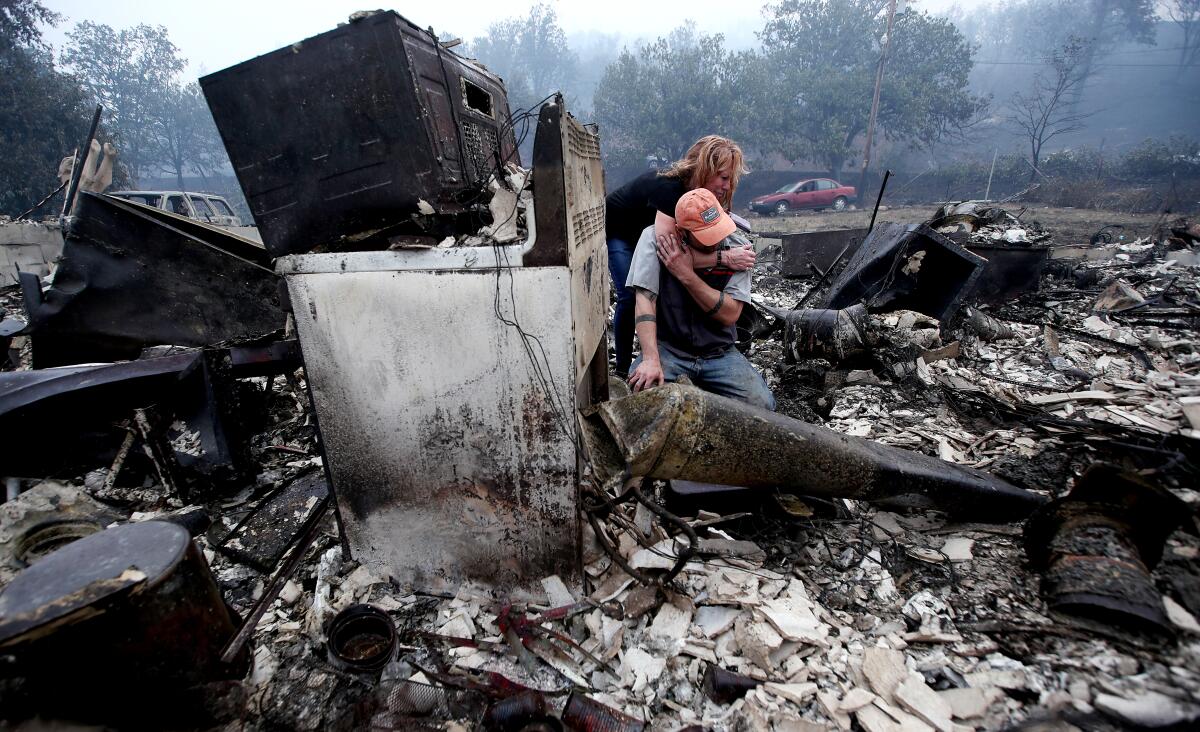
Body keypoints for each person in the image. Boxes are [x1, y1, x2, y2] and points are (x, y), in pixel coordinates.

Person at [605, 136, 756, 376]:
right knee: (630, 295)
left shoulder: (702, 197)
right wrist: (724, 258)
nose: (727, 186)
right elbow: (669, 256)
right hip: (620, 231)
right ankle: (622, 368)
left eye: (730, 179)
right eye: (724, 177)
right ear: (705, 169)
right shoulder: (671, 190)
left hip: (645, 230)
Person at [624, 188, 775, 411]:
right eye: (706, 236)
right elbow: (645, 299)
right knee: (641, 397)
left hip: (719, 353)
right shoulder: (655, 239)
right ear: (681, 231)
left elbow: (730, 314)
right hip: (670, 350)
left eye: (718, 230)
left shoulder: (738, 247)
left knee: (762, 405)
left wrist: (686, 274)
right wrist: (650, 359)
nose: (716, 240)